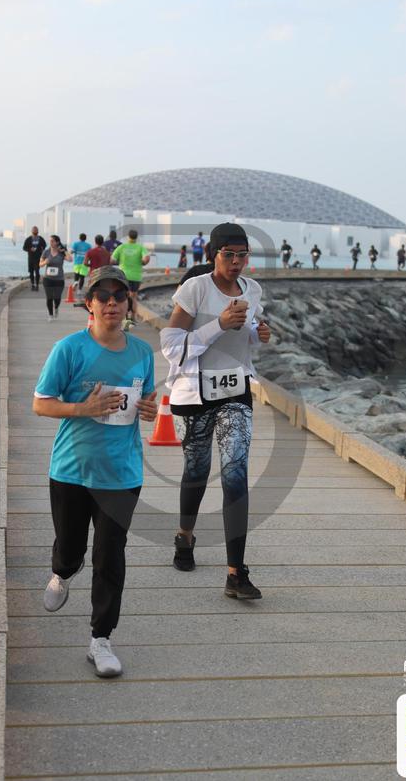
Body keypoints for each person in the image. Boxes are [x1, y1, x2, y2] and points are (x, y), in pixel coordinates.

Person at [33, 265, 157, 677]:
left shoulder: (142, 353)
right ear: (89, 303)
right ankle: (63, 571)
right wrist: (82, 408)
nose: (111, 303)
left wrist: (150, 411)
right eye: (102, 296)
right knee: (71, 547)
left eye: (119, 296)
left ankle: (100, 639)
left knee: (110, 555)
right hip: (71, 469)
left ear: (128, 303)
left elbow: (146, 400)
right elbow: (41, 403)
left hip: (122, 474)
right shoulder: (68, 349)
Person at [160, 222, 271, 599]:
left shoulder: (252, 290)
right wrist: (218, 325)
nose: (236, 262)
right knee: (196, 470)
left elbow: (247, 332)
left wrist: (257, 333)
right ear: (214, 255)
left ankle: (236, 572)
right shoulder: (195, 288)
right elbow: (171, 346)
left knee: (235, 474)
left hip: (236, 392)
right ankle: (185, 536)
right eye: (229, 255)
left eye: (243, 255)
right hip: (194, 394)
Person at [111, 229, 151, 324]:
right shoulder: (140, 247)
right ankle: (133, 317)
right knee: (133, 297)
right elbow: (147, 258)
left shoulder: (122, 247)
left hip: (123, 275)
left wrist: (120, 262)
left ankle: (125, 317)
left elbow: (112, 260)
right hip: (136, 276)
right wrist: (143, 262)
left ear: (128, 237)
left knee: (124, 297)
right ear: (136, 237)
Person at [39, 235, 72, 321]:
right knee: (49, 297)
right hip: (47, 279)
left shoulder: (61, 252)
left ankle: (56, 307)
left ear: (57, 242)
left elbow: (70, 259)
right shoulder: (46, 252)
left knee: (57, 298)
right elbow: (40, 264)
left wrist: (65, 251)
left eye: (52, 241)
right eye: (50, 241)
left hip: (59, 279)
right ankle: (50, 315)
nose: (50, 242)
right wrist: (45, 262)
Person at [23, 226, 47, 291]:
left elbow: (44, 245)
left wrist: (42, 249)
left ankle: (37, 285)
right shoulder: (28, 239)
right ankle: (33, 284)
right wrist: (30, 249)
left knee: (37, 272)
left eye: (36, 230)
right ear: (32, 231)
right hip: (30, 258)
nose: (35, 231)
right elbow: (24, 248)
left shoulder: (40, 239)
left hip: (38, 258)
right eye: (34, 230)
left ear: (38, 231)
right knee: (31, 272)